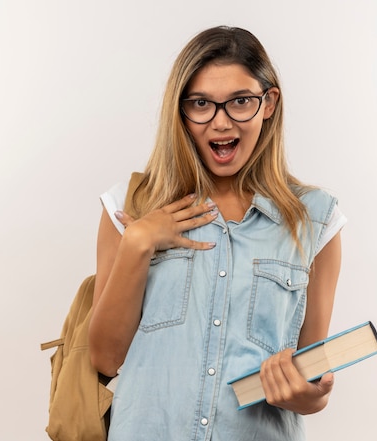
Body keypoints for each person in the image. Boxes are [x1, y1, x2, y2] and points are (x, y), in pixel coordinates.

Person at [88, 25, 346, 441]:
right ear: (181, 110)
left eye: (240, 101)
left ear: (268, 104)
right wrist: (138, 243)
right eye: (201, 103)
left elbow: (311, 373)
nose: (221, 123)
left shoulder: (315, 219)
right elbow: (104, 358)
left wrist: (309, 395)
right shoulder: (129, 206)